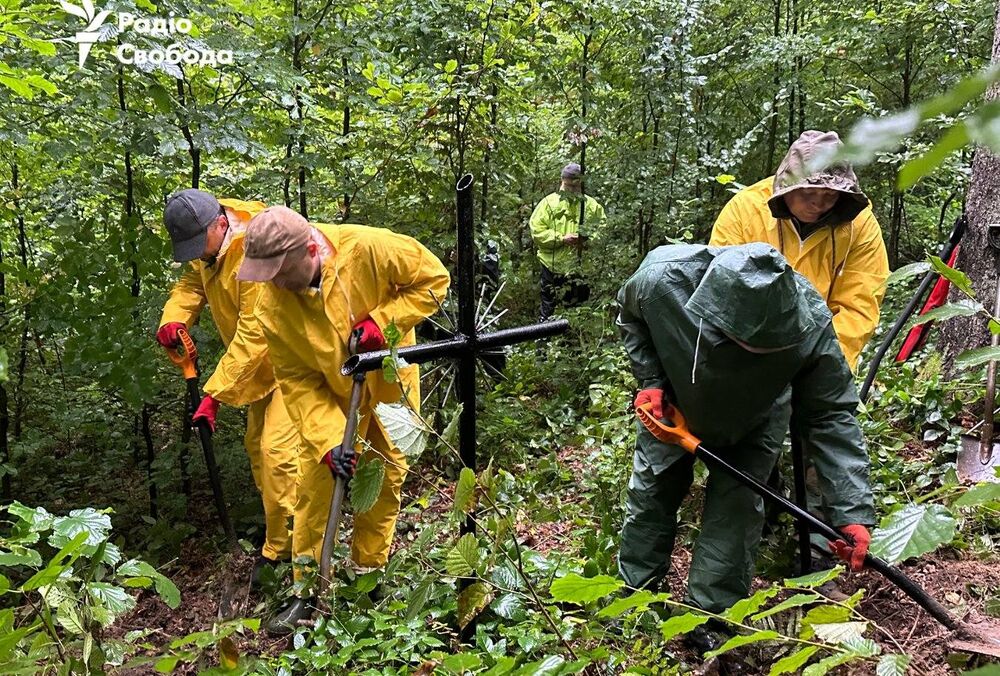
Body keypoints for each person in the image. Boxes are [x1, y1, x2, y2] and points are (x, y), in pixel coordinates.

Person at [616, 242, 874, 651]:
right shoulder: (662, 281)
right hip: (674, 406)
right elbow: (630, 316)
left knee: (736, 514)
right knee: (653, 495)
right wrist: (650, 379)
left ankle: (711, 623)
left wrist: (852, 510)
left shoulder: (811, 326)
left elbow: (830, 416)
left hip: (755, 420)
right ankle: (633, 602)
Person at [238, 206, 450, 633]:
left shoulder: (368, 247)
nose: (274, 282)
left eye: (280, 271)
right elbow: (295, 378)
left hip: (390, 375)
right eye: (266, 274)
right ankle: (306, 592)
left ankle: (369, 574)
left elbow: (433, 280)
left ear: (311, 247)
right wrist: (329, 440)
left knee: (386, 472)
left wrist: (382, 323)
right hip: (331, 393)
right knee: (314, 486)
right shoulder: (271, 308)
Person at [157, 189, 301, 586]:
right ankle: (284, 540)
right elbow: (191, 284)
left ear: (220, 223)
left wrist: (214, 394)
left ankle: (291, 557)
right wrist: (174, 319)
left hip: (296, 359)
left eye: (197, 246)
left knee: (277, 453)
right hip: (261, 370)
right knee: (259, 449)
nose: (195, 256)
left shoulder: (257, 243)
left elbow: (258, 330)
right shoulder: (210, 248)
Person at [709, 130, 889, 372]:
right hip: (748, 352)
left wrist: (822, 364)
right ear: (788, 184)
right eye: (807, 193)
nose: (818, 203)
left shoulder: (860, 225)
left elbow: (859, 306)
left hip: (822, 355)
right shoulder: (745, 210)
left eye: (830, 194)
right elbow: (722, 292)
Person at [529, 162, 607, 319]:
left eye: (575, 186)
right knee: (548, 308)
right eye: (568, 186)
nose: (571, 190)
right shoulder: (548, 204)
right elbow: (537, 232)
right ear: (561, 181)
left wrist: (587, 240)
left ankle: (573, 341)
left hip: (580, 268)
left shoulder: (591, 206)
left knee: (578, 309)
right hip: (551, 266)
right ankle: (543, 339)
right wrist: (561, 239)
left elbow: (602, 230)